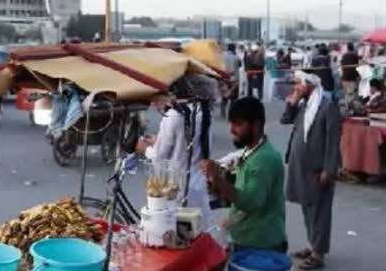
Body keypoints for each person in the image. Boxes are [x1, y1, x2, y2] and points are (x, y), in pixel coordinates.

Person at [200, 97, 287, 255]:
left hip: (260, 246)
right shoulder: (251, 151)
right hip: (245, 239)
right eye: (231, 123)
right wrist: (216, 180)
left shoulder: (264, 159)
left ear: (256, 125)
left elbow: (249, 202)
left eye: (238, 124)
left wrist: (218, 179)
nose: (231, 130)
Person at [281, 71, 340, 270]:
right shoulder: (305, 104)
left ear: (309, 83)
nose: (295, 87)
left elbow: (333, 141)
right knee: (307, 207)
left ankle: (318, 254)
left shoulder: (327, 106)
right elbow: (285, 120)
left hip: (318, 168)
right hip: (301, 166)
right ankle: (313, 245)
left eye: (298, 83)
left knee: (319, 211)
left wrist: (329, 170)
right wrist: (292, 102)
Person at [136, 82, 213, 229]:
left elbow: (158, 156)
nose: (156, 104)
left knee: (177, 233)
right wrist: (157, 140)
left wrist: (145, 149)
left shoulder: (173, 116)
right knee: (200, 230)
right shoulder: (203, 111)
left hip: (178, 188)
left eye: (159, 99)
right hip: (198, 182)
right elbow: (186, 141)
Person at [340, 42, 360, 111]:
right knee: (351, 94)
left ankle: (347, 107)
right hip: (352, 78)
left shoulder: (344, 56)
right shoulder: (355, 56)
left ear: (347, 48)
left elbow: (342, 66)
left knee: (346, 93)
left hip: (345, 77)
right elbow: (357, 67)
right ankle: (350, 108)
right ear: (353, 48)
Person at [222, 44, 241, 117]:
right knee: (234, 97)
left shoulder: (222, 56)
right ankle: (231, 112)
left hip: (224, 79)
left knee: (224, 95)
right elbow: (240, 65)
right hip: (234, 80)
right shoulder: (236, 57)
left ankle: (223, 110)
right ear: (234, 49)